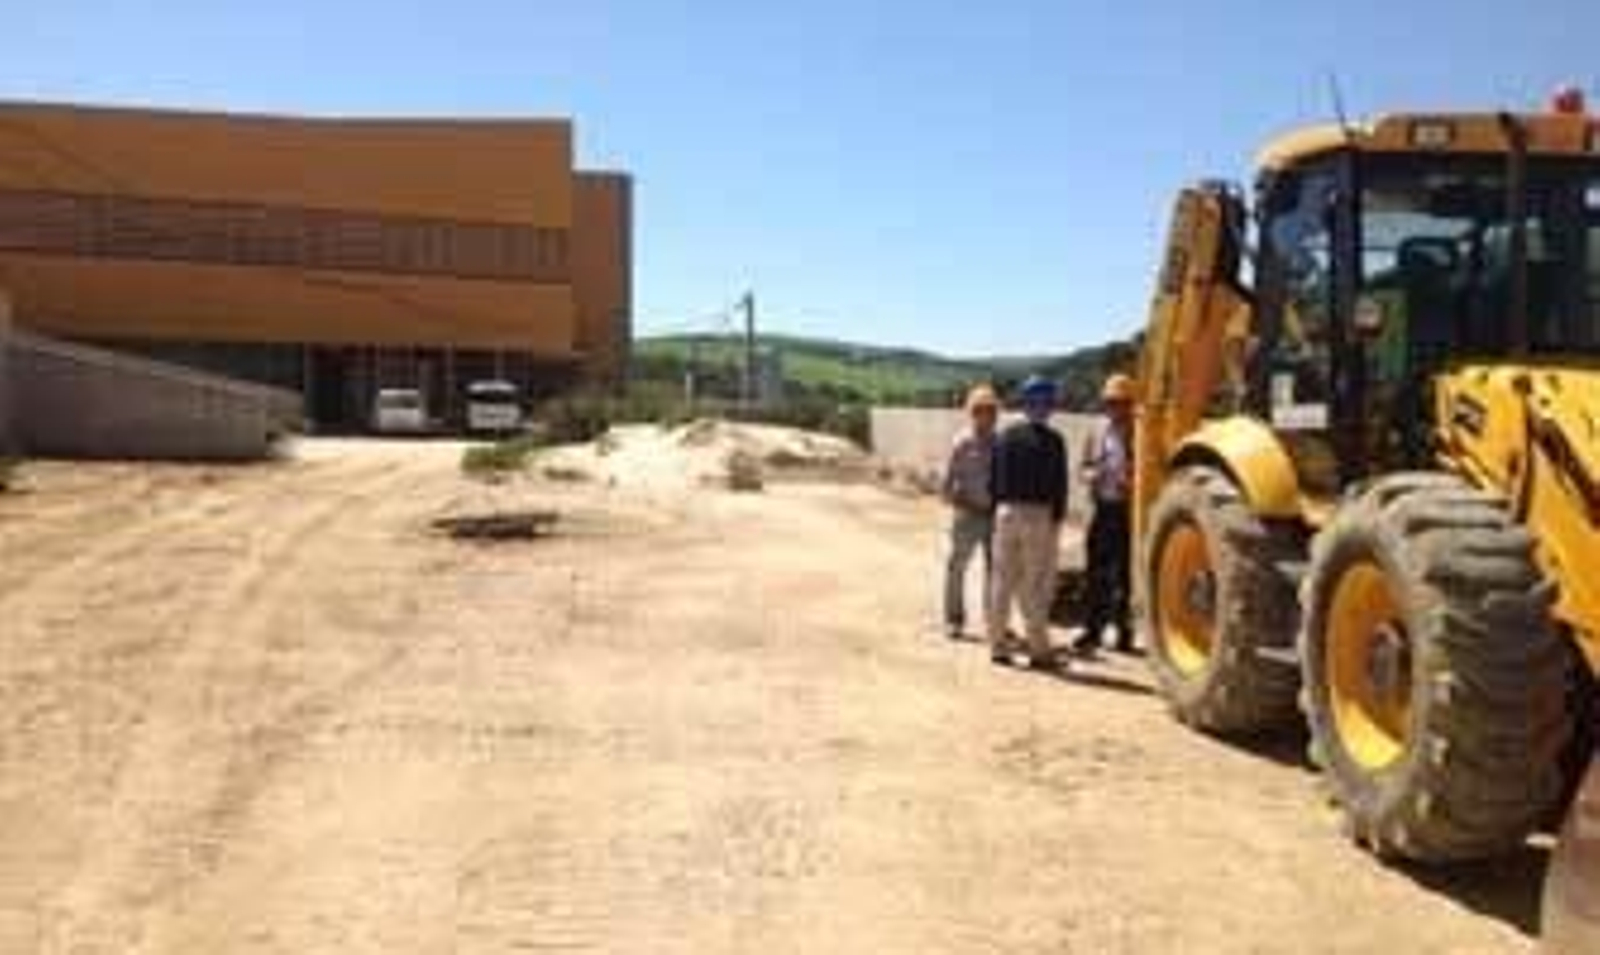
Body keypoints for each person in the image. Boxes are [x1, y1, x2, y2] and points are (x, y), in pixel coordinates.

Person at [988, 375, 1069, 670]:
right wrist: (1057, 518)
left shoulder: (1005, 436)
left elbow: (994, 480)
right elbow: (1059, 485)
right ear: (1049, 405)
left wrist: (999, 508)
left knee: (1002, 581)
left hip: (1005, 512)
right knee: (1035, 584)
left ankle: (997, 646)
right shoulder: (1054, 441)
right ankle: (1038, 651)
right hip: (1038, 515)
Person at [1076, 373, 1138, 655]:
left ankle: (1125, 633)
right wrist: (1093, 476)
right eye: (1112, 402)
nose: (1117, 408)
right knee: (1096, 573)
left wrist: (1133, 481)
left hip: (1130, 512)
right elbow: (1083, 468)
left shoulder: (1143, 431)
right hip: (1102, 508)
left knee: (1127, 575)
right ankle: (1093, 630)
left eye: (1122, 402)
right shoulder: (1097, 431)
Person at [941, 385, 999, 640]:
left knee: (995, 571)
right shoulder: (961, 442)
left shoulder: (1001, 442)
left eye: (990, 410)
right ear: (971, 412)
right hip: (967, 514)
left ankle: (993, 621)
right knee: (957, 567)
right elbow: (947, 483)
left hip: (994, 516)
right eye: (980, 410)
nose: (985, 415)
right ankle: (954, 619)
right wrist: (959, 502)